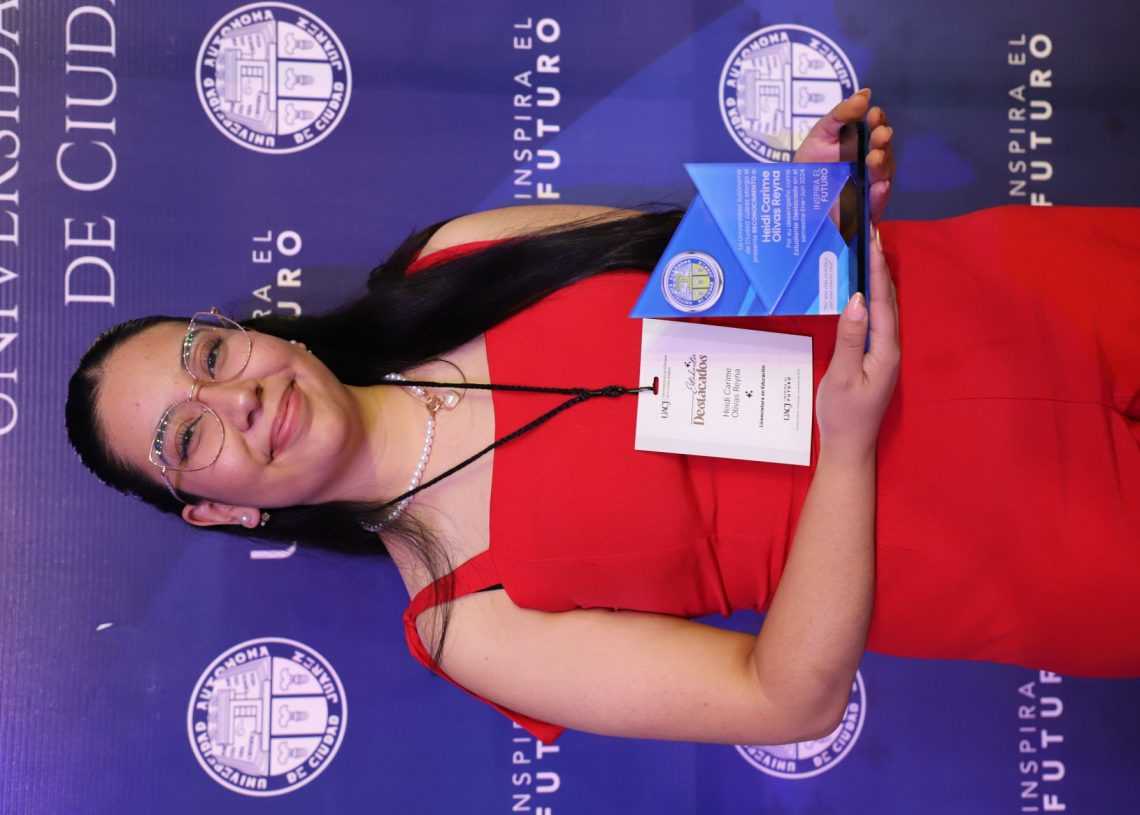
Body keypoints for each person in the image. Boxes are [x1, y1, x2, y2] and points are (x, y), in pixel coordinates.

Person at [67, 90, 1140, 746]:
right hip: (1014, 540)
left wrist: (820, 193)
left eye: (210, 356)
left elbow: (726, 264)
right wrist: (847, 448)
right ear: (217, 510)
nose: (237, 398)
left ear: (253, 332)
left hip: (1012, 296)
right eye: (188, 436)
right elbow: (786, 699)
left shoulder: (455, 257)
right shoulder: (464, 619)